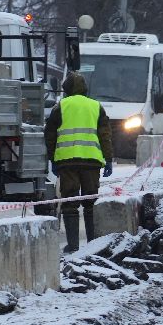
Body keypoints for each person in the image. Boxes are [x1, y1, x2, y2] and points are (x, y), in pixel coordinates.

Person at [44, 72, 114, 254]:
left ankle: (73, 245)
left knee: (70, 203)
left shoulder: (60, 107)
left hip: (67, 162)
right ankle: (92, 244)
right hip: (91, 161)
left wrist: (52, 158)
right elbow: (105, 136)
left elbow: (50, 135)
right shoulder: (96, 106)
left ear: (66, 89)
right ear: (84, 89)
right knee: (90, 203)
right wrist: (108, 159)